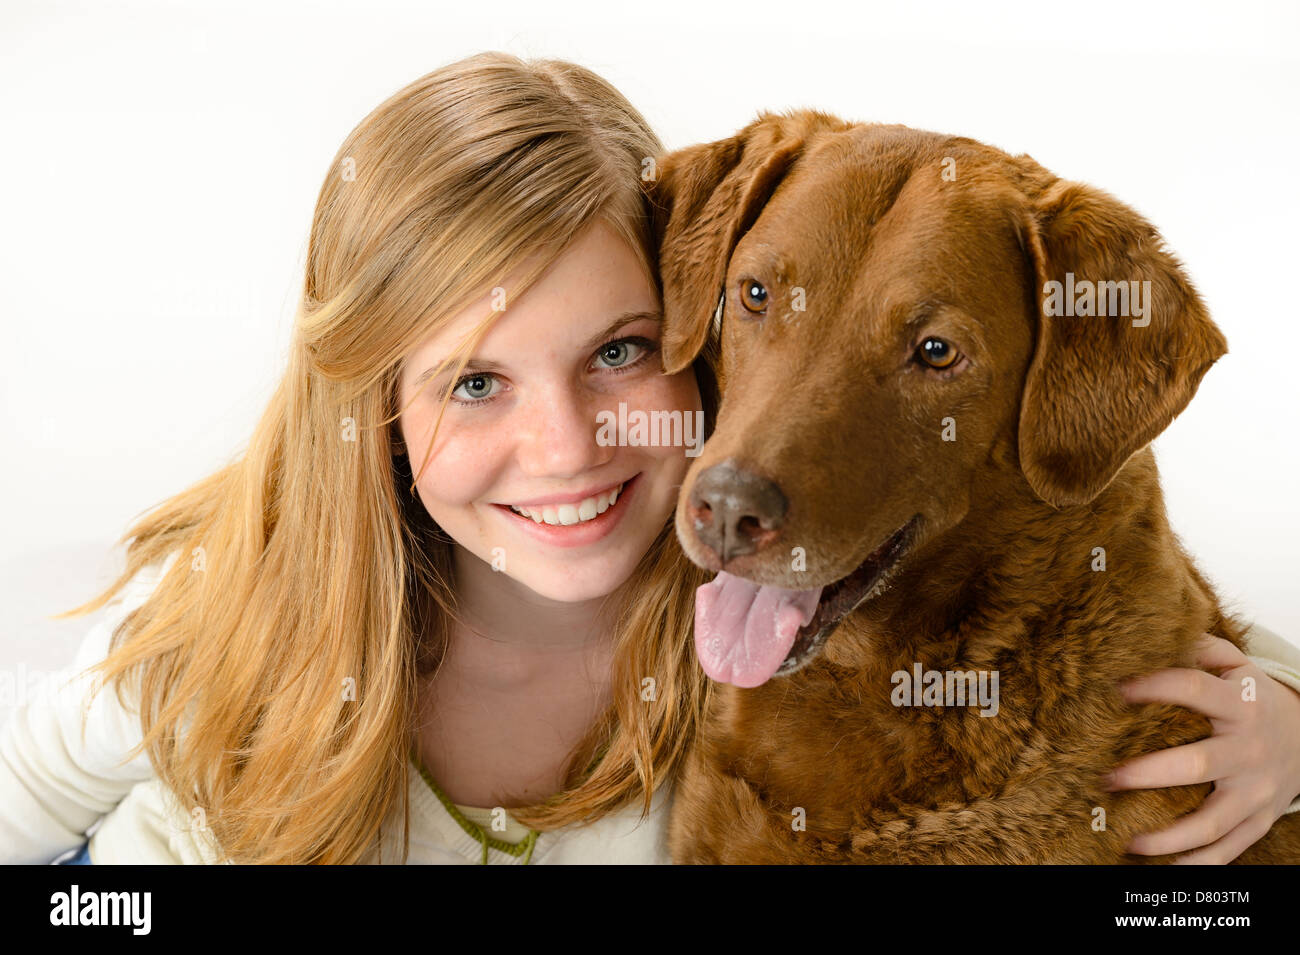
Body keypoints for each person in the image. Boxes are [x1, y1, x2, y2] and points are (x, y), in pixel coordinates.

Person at [3, 51, 1298, 866]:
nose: (565, 446)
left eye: (621, 352)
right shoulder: (229, 627)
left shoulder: (742, 627)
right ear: (376, 401)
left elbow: (1149, 634)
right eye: (473, 380)